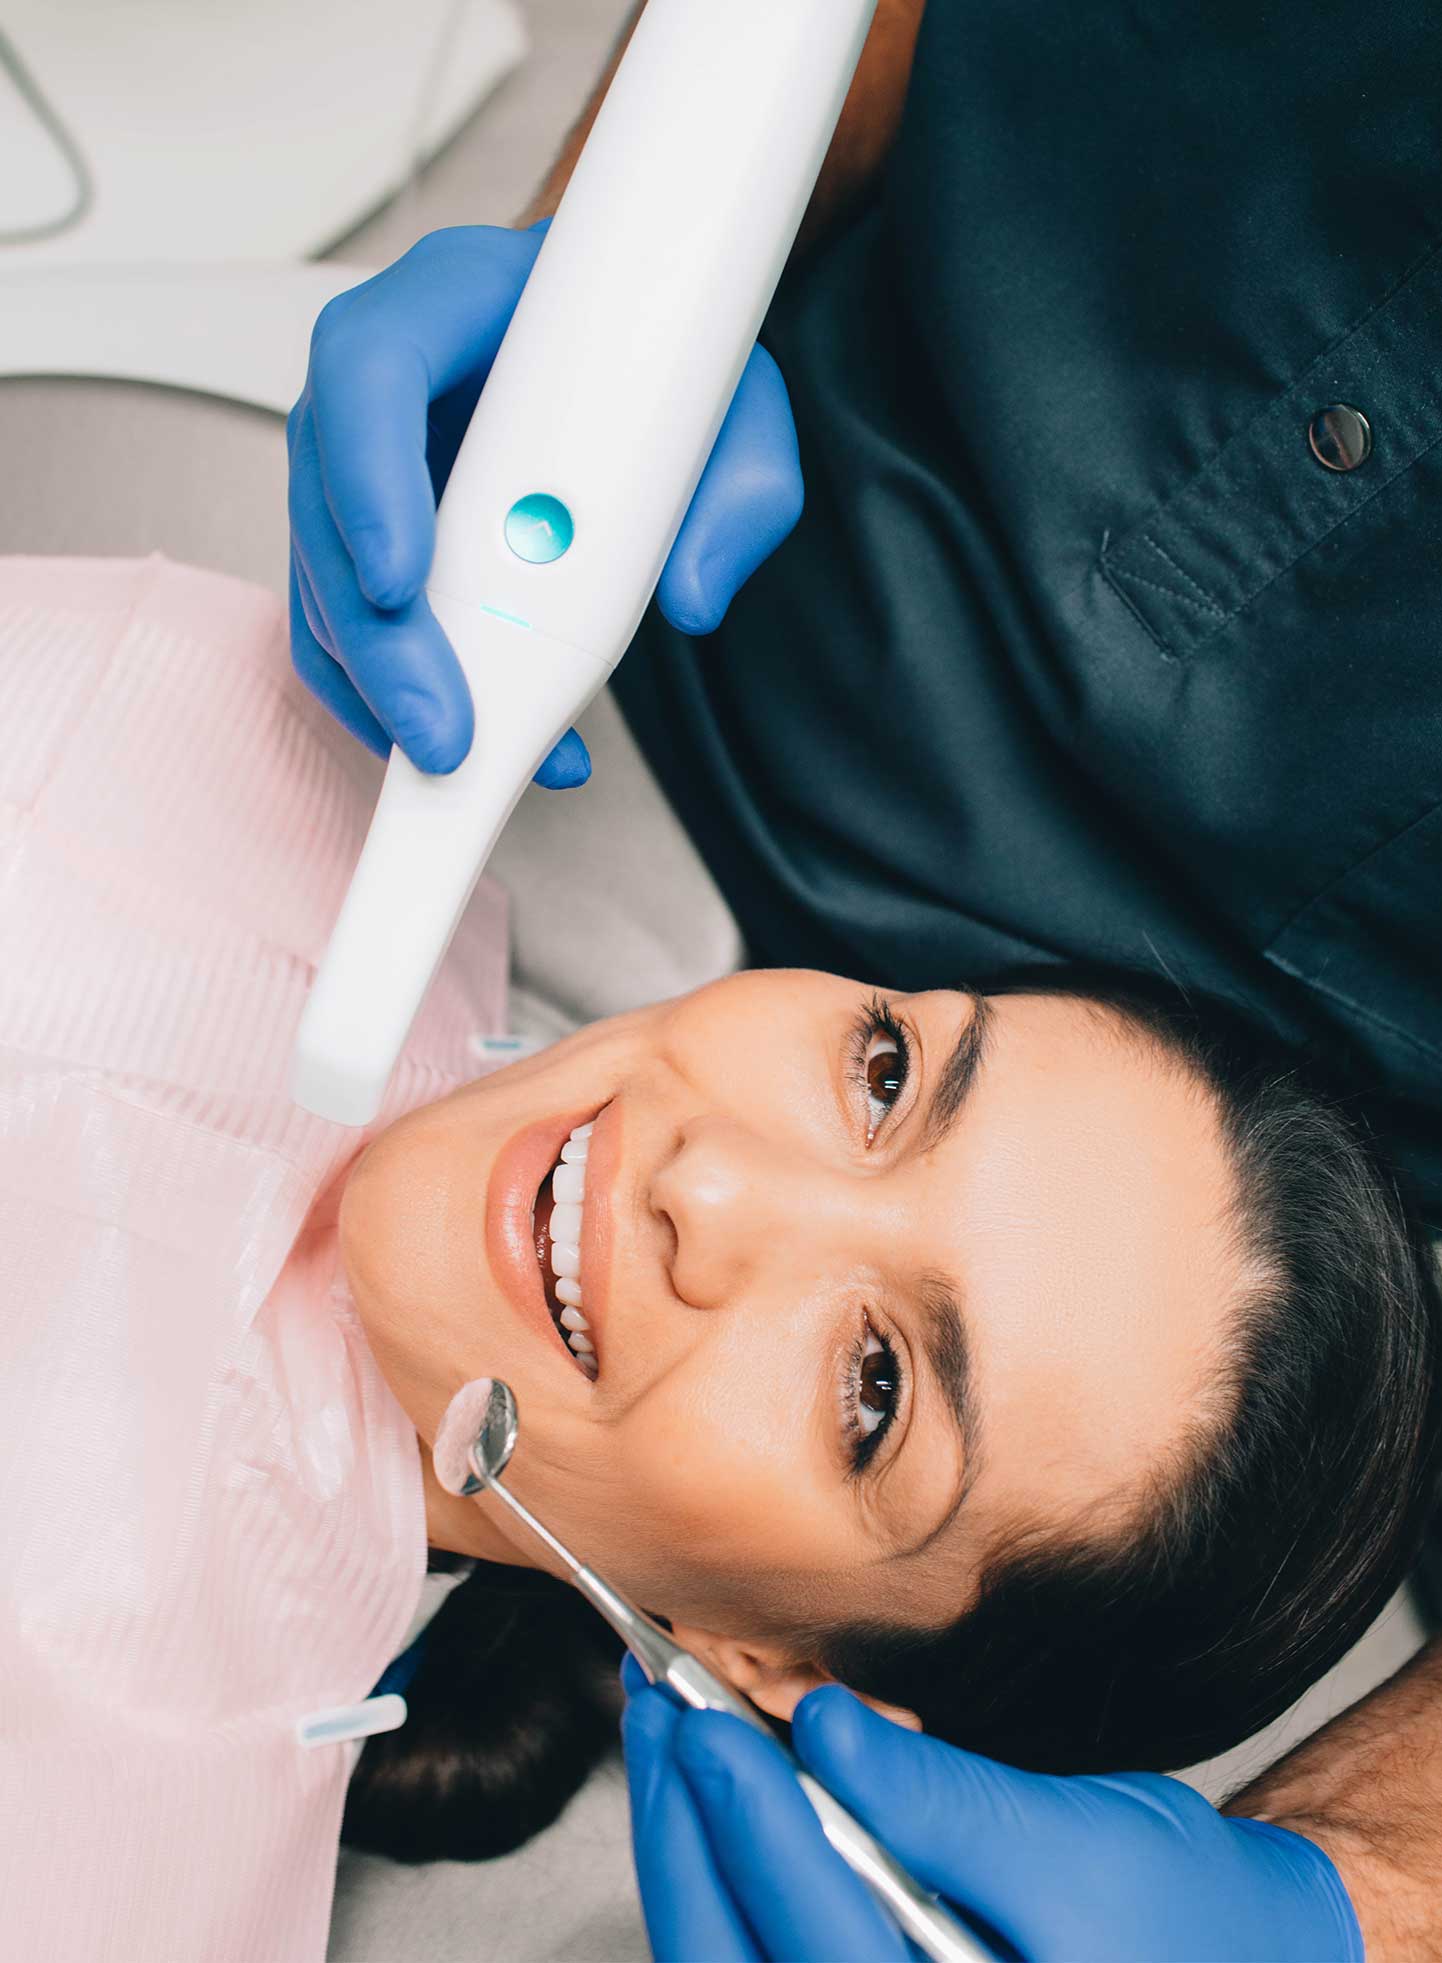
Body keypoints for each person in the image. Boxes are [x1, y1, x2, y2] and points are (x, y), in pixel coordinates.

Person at [286, 0, 1442, 1949]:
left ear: (756, 1666)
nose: (709, 1182)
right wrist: (629, 294)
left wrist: (1379, 1899)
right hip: (646, 642)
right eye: (888, 1071)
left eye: (874, 1388)